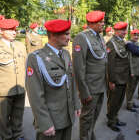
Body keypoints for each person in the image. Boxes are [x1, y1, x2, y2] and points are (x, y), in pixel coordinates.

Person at [25, 19, 81, 140]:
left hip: (68, 115)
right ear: (54, 35)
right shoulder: (36, 58)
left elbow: (71, 82)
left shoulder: (65, 54)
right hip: (52, 120)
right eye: (66, 34)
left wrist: (77, 104)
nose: (69, 37)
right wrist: (44, 123)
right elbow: (35, 95)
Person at [72, 10, 107, 140]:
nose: (103, 23)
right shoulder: (82, 37)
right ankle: (84, 137)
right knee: (87, 118)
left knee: (95, 115)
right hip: (90, 88)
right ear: (92, 23)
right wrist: (84, 92)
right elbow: (78, 68)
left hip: (100, 85)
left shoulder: (99, 37)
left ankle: (90, 135)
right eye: (101, 21)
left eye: (103, 21)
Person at [0, 18, 27, 140]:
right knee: (3, 118)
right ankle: (6, 137)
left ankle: (18, 136)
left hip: (19, 88)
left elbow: (26, 65)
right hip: (3, 90)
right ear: (1, 31)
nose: (14, 32)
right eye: (10, 30)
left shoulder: (20, 45)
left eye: (15, 29)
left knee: (18, 115)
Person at [106, 21, 130, 132]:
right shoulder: (111, 43)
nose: (125, 32)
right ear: (116, 31)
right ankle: (111, 121)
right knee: (113, 101)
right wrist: (111, 81)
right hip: (115, 78)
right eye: (122, 30)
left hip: (124, 77)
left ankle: (115, 117)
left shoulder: (122, 42)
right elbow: (110, 64)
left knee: (120, 100)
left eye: (125, 30)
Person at [126, 29, 139, 112]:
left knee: (134, 87)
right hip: (132, 71)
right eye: (134, 35)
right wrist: (131, 71)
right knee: (130, 88)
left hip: (138, 69)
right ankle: (129, 104)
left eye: (137, 35)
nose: (136, 37)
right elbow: (130, 59)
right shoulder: (129, 44)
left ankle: (131, 101)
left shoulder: (137, 44)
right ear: (131, 35)